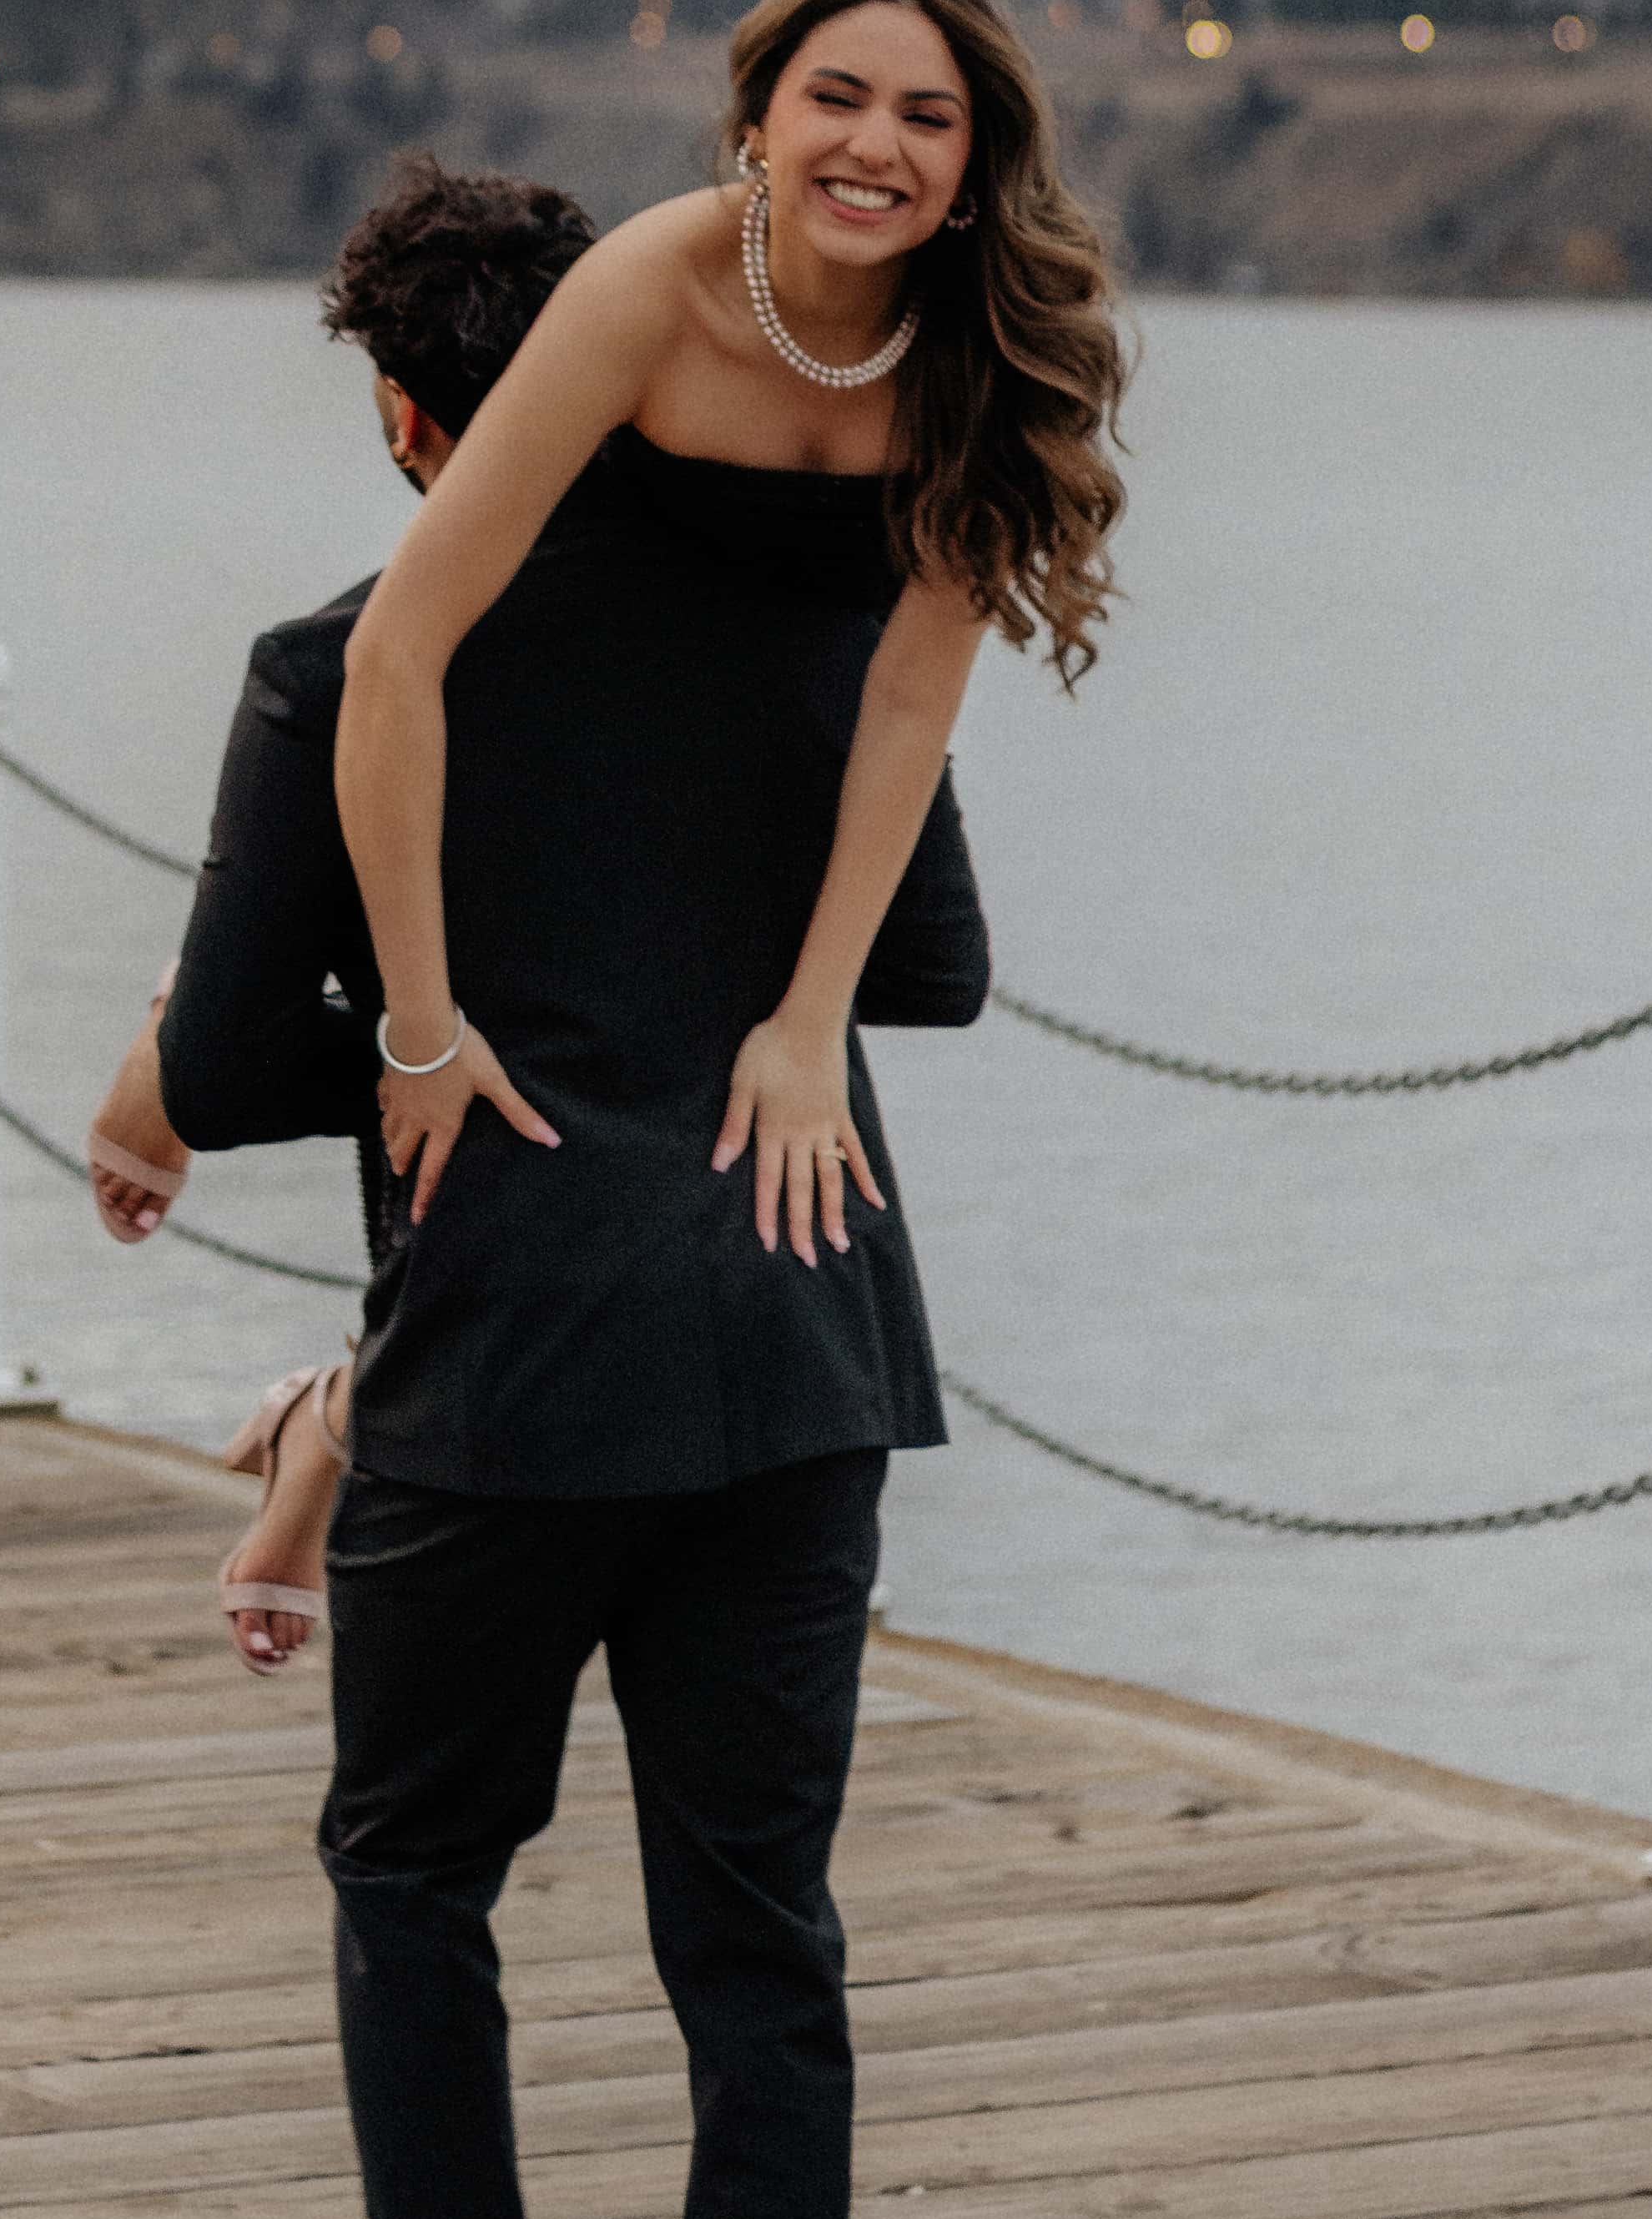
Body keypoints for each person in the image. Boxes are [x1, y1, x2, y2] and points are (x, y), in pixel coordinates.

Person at [270, 0, 1123, 2219]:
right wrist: (420, 1011)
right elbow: (411, 648)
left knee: (429, 1863)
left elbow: (900, 716)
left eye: (926, 118)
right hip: (736, 1285)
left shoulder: (968, 387)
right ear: (751, 120)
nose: (875, 145)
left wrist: (801, 1019)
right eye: (832, 99)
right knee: (755, 1931)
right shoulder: (644, 294)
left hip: (619, 1258)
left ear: (972, 167)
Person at [90, 149, 992, 1666]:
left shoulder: (330, 670)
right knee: (752, 1895)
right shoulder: (818, 629)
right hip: (785, 1320)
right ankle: (338, 1412)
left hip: (498, 1340)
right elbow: (941, 965)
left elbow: (232, 1071)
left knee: (412, 1865)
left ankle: (342, 1411)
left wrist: (253, 1021)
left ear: (402, 413)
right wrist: (743, 1003)